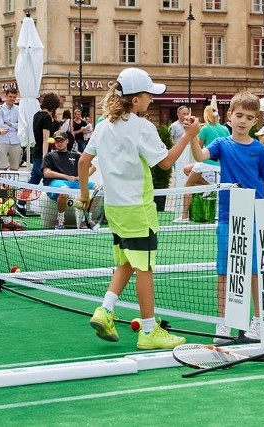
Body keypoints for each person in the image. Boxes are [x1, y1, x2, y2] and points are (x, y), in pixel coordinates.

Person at [77, 67, 200, 349]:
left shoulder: (103, 125)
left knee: (127, 261)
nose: (151, 99)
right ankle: (148, 331)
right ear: (134, 100)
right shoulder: (142, 127)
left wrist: (84, 195)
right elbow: (166, 163)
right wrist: (188, 135)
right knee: (144, 267)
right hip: (138, 207)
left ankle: (105, 310)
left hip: (115, 208)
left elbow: (83, 163)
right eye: (147, 95)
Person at [190, 91, 264, 343]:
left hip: (256, 214)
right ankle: (224, 322)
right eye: (238, 115)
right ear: (230, 116)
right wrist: (193, 136)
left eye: (249, 117)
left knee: (256, 270)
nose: (243, 121)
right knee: (225, 271)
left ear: (255, 121)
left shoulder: (260, 150)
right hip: (228, 214)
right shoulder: (221, 144)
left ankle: (258, 321)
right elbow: (199, 156)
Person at [173, 105, 228, 223]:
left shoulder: (205, 129)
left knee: (188, 185)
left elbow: (198, 148)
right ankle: (208, 186)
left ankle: (184, 216)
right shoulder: (225, 129)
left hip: (206, 162)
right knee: (186, 169)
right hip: (220, 165)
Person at [15, 92, 61, 216]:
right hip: (42, 154)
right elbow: (46, 138)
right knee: (49, 181)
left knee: (34, 180)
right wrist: (45, 157)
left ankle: (20, 204)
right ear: (53, 105)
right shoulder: (46, 117)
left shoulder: (37, 115)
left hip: (36, 152)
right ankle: (59, 207)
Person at [42, 130, 97, 230]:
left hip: (75, 183)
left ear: (67, 141)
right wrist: (67, 177)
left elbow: (93, 168)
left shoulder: (76, 155)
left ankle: (87, 217)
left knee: (99, 189)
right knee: (64, 190)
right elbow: (47, 173)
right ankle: (60, 219)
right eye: (57, 141)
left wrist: (83, 177)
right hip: (56, 183)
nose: (59, 143)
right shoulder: (49, 156)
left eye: (61, 140)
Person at [0, 87, 22, 171]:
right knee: (1, 167)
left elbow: (21, 125)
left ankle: (13, 184)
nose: (12, 99)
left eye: (14, 97)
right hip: (2, 140)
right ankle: (1, 184)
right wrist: (15, 127)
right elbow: (0, 125)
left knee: (15, 167)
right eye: (10, 96)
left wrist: (10, 124)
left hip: (15, 140)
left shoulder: (19, 109)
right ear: (6, 96)